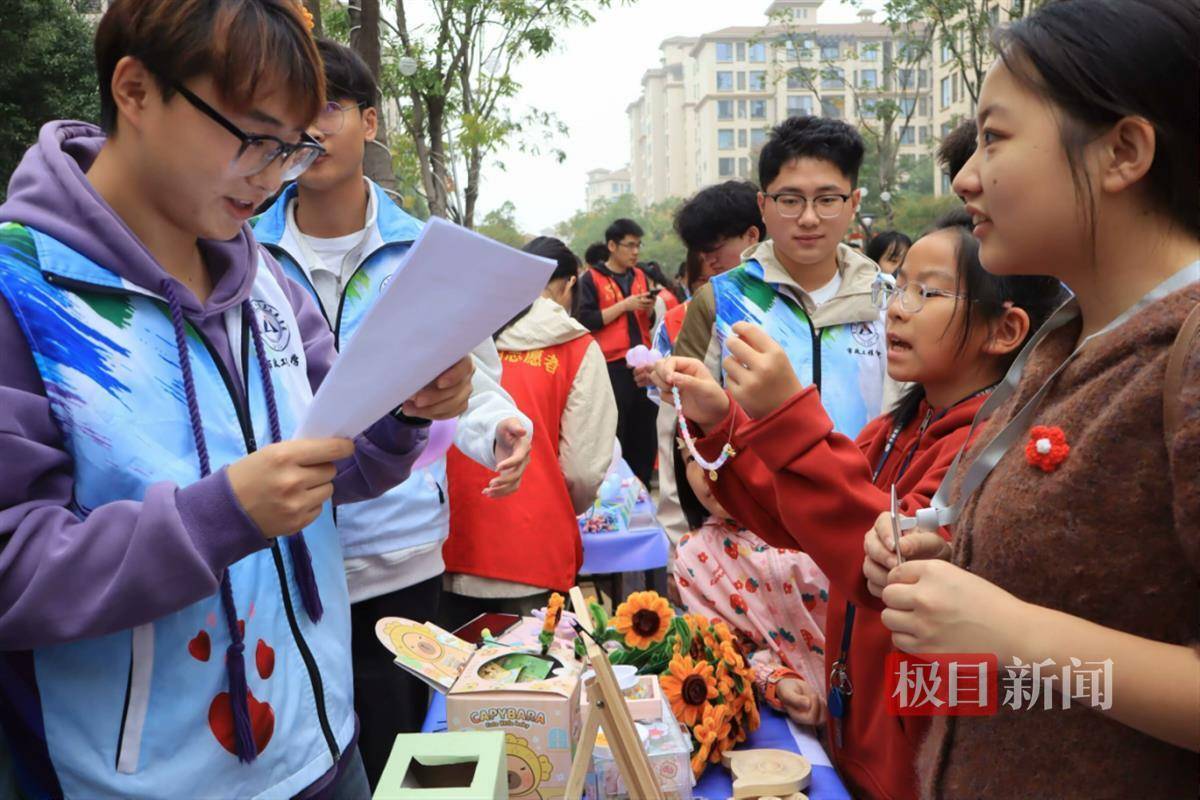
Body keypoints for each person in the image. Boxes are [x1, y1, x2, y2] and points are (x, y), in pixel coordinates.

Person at [0, 1, 475, 797]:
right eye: (252, 137)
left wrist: (403, 410)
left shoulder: (266, 284)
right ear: (135, 90)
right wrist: (219, 518)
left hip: (324, 749)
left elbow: (335, 464)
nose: (269, 176)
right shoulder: (24, 292)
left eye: (289, 148)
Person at [869, 2, 1198, 796]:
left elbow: (1025, 639)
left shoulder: (1185, 355)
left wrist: (1009, 630)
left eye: (995, 136)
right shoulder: (1066, 343)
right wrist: (944, 562)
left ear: (1123, 151)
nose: (965, 177)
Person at [656, 210, 1063, 799]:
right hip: (865, 725)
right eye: (897, 286)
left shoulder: (989, 450)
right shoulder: (903, 426)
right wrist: (722, 416)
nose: (897, 307)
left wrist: (787, 413)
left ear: (1005, 331)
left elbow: (879, 558)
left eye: (926, 293)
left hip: (917, 749)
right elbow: (788, 515)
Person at [250, 39, 532, 787]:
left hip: (396, 556)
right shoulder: (241, 250)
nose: (310, 128)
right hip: (276, 554)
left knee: (399, 755)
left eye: (330, 108)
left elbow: (466, 384)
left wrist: (496, 427)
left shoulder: (426, 256)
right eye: (293, 109)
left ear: (370, 122)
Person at [674, 115, 893, 442]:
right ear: (763, 206)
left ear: (854, 203)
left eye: (828, 200)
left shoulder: (886, 301)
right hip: (751, 491)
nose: (808, 218)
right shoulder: (721, 300)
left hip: (865, 491)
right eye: (790, 201)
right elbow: (682, 418)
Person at [442, 237, 617, 627]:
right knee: (533, 681)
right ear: (569, 284)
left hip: (445, 548)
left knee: (449, 682)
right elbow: (583, 471)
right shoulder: (576, 347)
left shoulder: (459, 331)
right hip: (535, 551)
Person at [671, 439, 830, 726]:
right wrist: (775, 680)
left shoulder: (815, 516)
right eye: (691, 459)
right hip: (795, 724)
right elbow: (727, 651)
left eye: (722, 449)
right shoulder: (694, 557)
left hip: (872, 704)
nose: (707, 468)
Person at [646, 181, 767, 546]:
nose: (710, 262)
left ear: (752, 235)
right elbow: (675, 422)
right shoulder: (701, 310)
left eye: (717, 249)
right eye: (703, 251)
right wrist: (678, 529)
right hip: (731, 511)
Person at [575, 218, 658, 485]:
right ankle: (614, 487)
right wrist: (624, 305)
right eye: (629, 245)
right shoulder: (592, 279)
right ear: (612, 246)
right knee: (615, 428)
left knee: (645, 429)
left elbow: (649, 320)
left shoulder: (641, 276)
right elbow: (585, 320)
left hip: (643, 364)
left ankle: (641, 485)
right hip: (611, 365)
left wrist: (647, 309)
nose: (635, 252)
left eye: (638, 246)